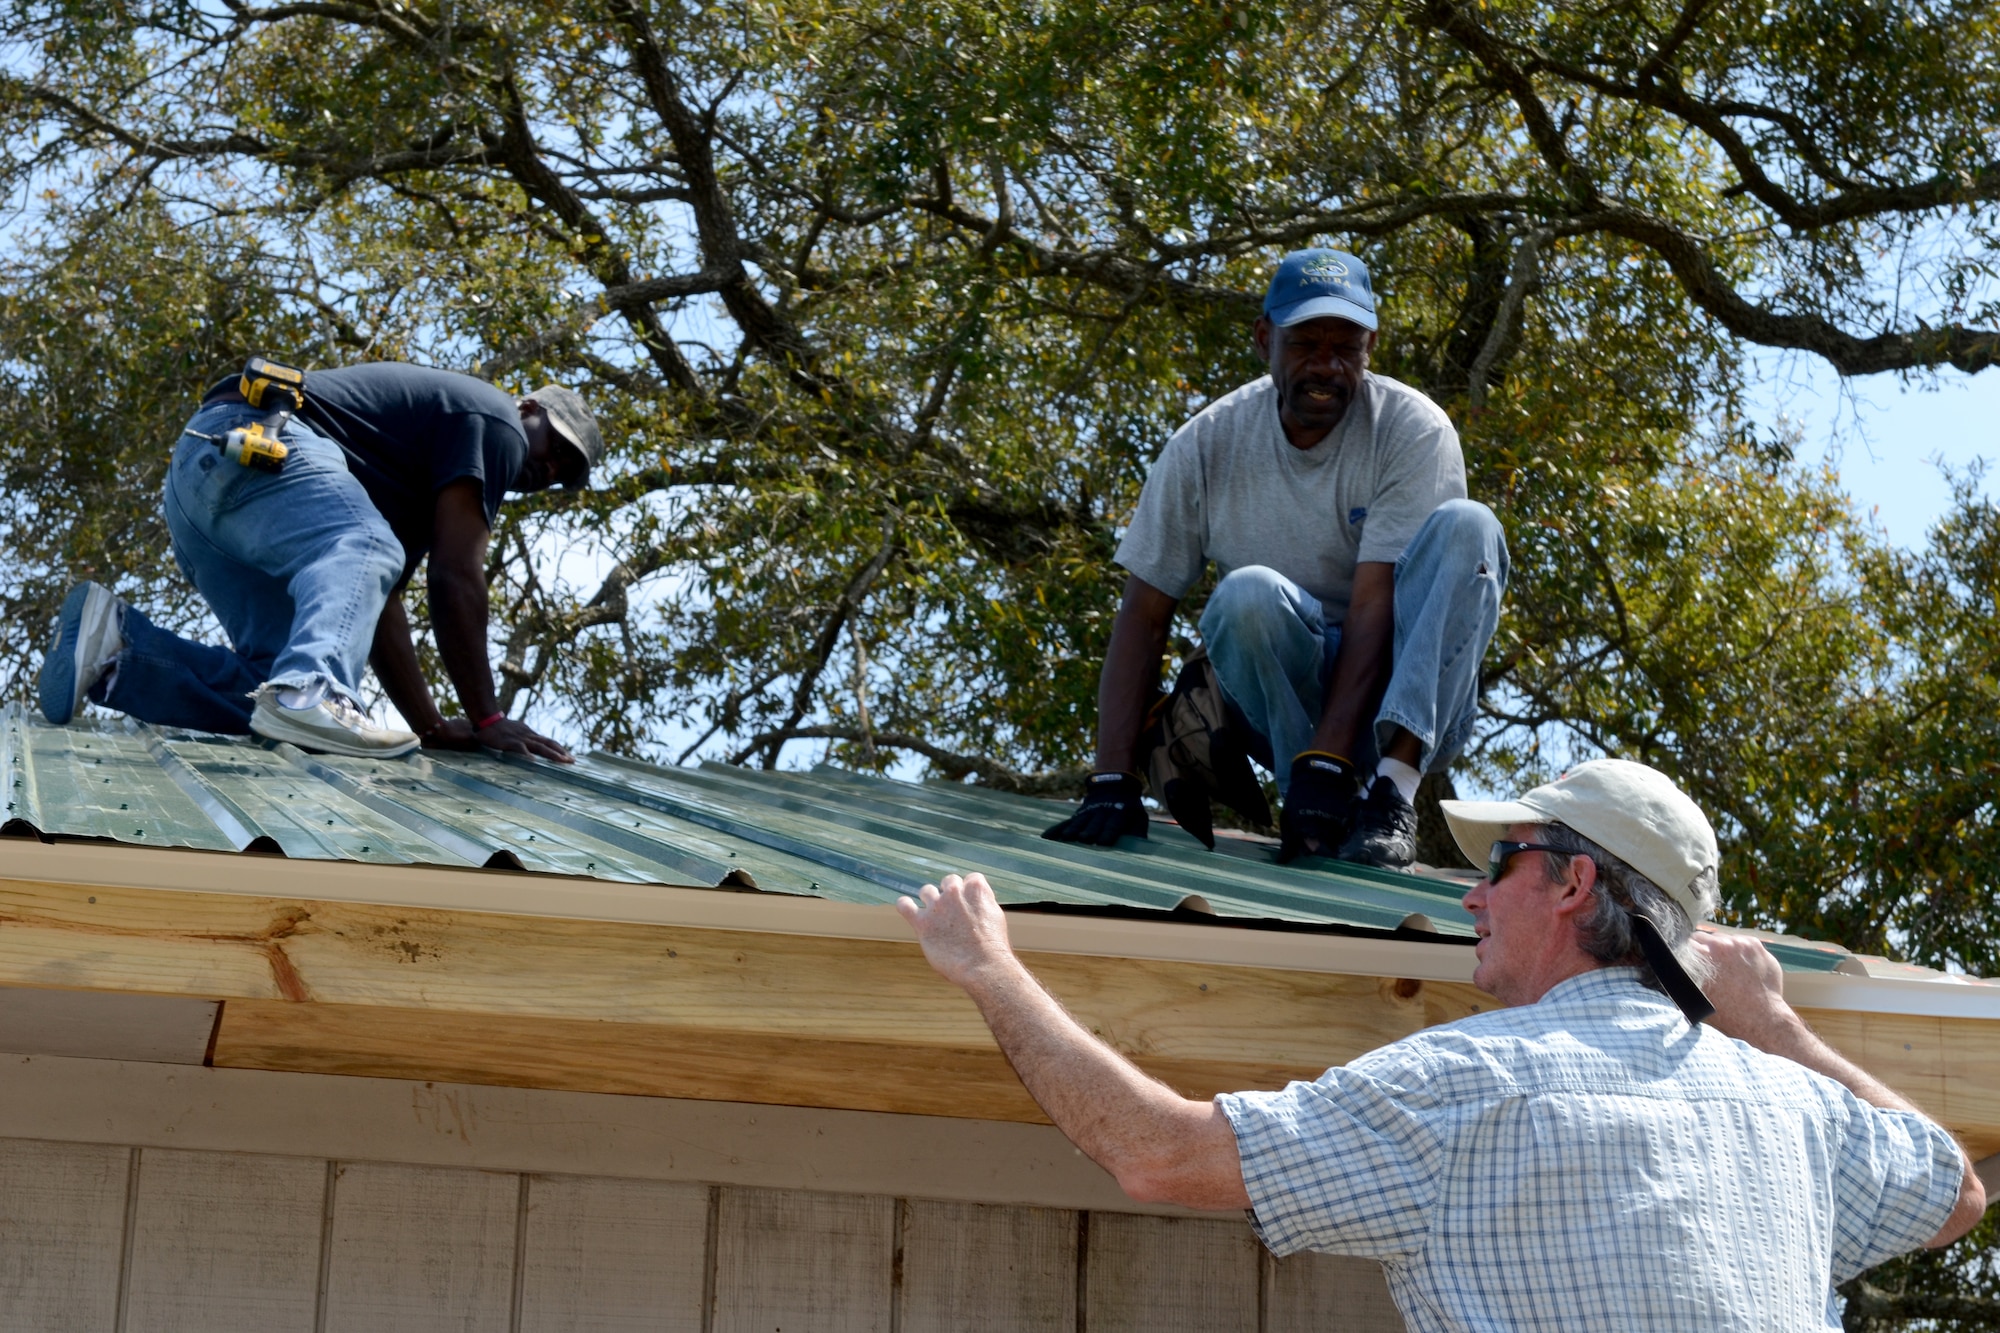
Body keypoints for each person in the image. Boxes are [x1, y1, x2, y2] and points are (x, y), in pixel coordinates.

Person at [906, 759, 1985, 1330]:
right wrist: (1774, 1023)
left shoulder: (1463, 1092)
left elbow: (1158, 1151)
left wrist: (988, 970)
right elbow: (1952, 1196)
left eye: (1501, 861)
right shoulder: (1794, 1112)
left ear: (1573, 884)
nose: (1468, 890)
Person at [1043, 247, 1507, 868]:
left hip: (1408, 700)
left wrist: (1332, 761)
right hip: (1281, 706)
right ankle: (1307, 807)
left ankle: (1391, 794)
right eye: (1305, 343)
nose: (1326, 364)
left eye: (1345, 346)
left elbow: (1375, 603)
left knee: (1469, 526)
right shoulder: (1207, 445)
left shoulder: (1412, 429)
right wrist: (1111, 779)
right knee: (1246, 595)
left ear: (1370, 345)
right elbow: (1144, 614)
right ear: (1265, 340)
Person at [37, 362, 599, 761]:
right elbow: (456, 577)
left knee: (269, 688)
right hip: (260, 442)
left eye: (563, 478)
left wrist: (427, 725)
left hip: (202, 491)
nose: (548, 472)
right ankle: (315, 691)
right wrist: (489, 719)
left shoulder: (405, 488)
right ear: (529, 409)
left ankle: (119, 650)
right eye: (558, 450)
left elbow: (372, 606)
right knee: (358, 574)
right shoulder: (497, 421)